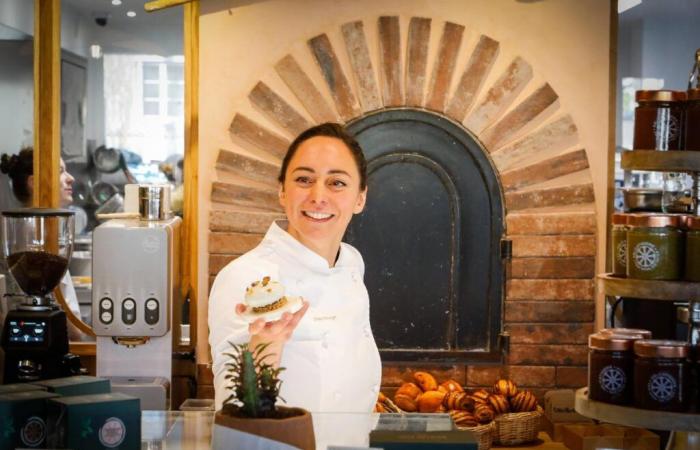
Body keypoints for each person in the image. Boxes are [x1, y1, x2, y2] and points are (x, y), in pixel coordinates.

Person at [208, 123, 381, 413]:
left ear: (360, 198)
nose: (318, 196)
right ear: (282, 192)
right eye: (303, 179)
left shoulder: (351, 262)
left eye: (336, 182)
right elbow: (234, 411)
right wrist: (263, 351)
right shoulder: (244, 278)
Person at [0, 147, 82, 337]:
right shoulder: (37, 242)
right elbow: (71, 329)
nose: (71, 178)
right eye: (61, 171)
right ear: (35, 182)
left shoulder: (44, 235)